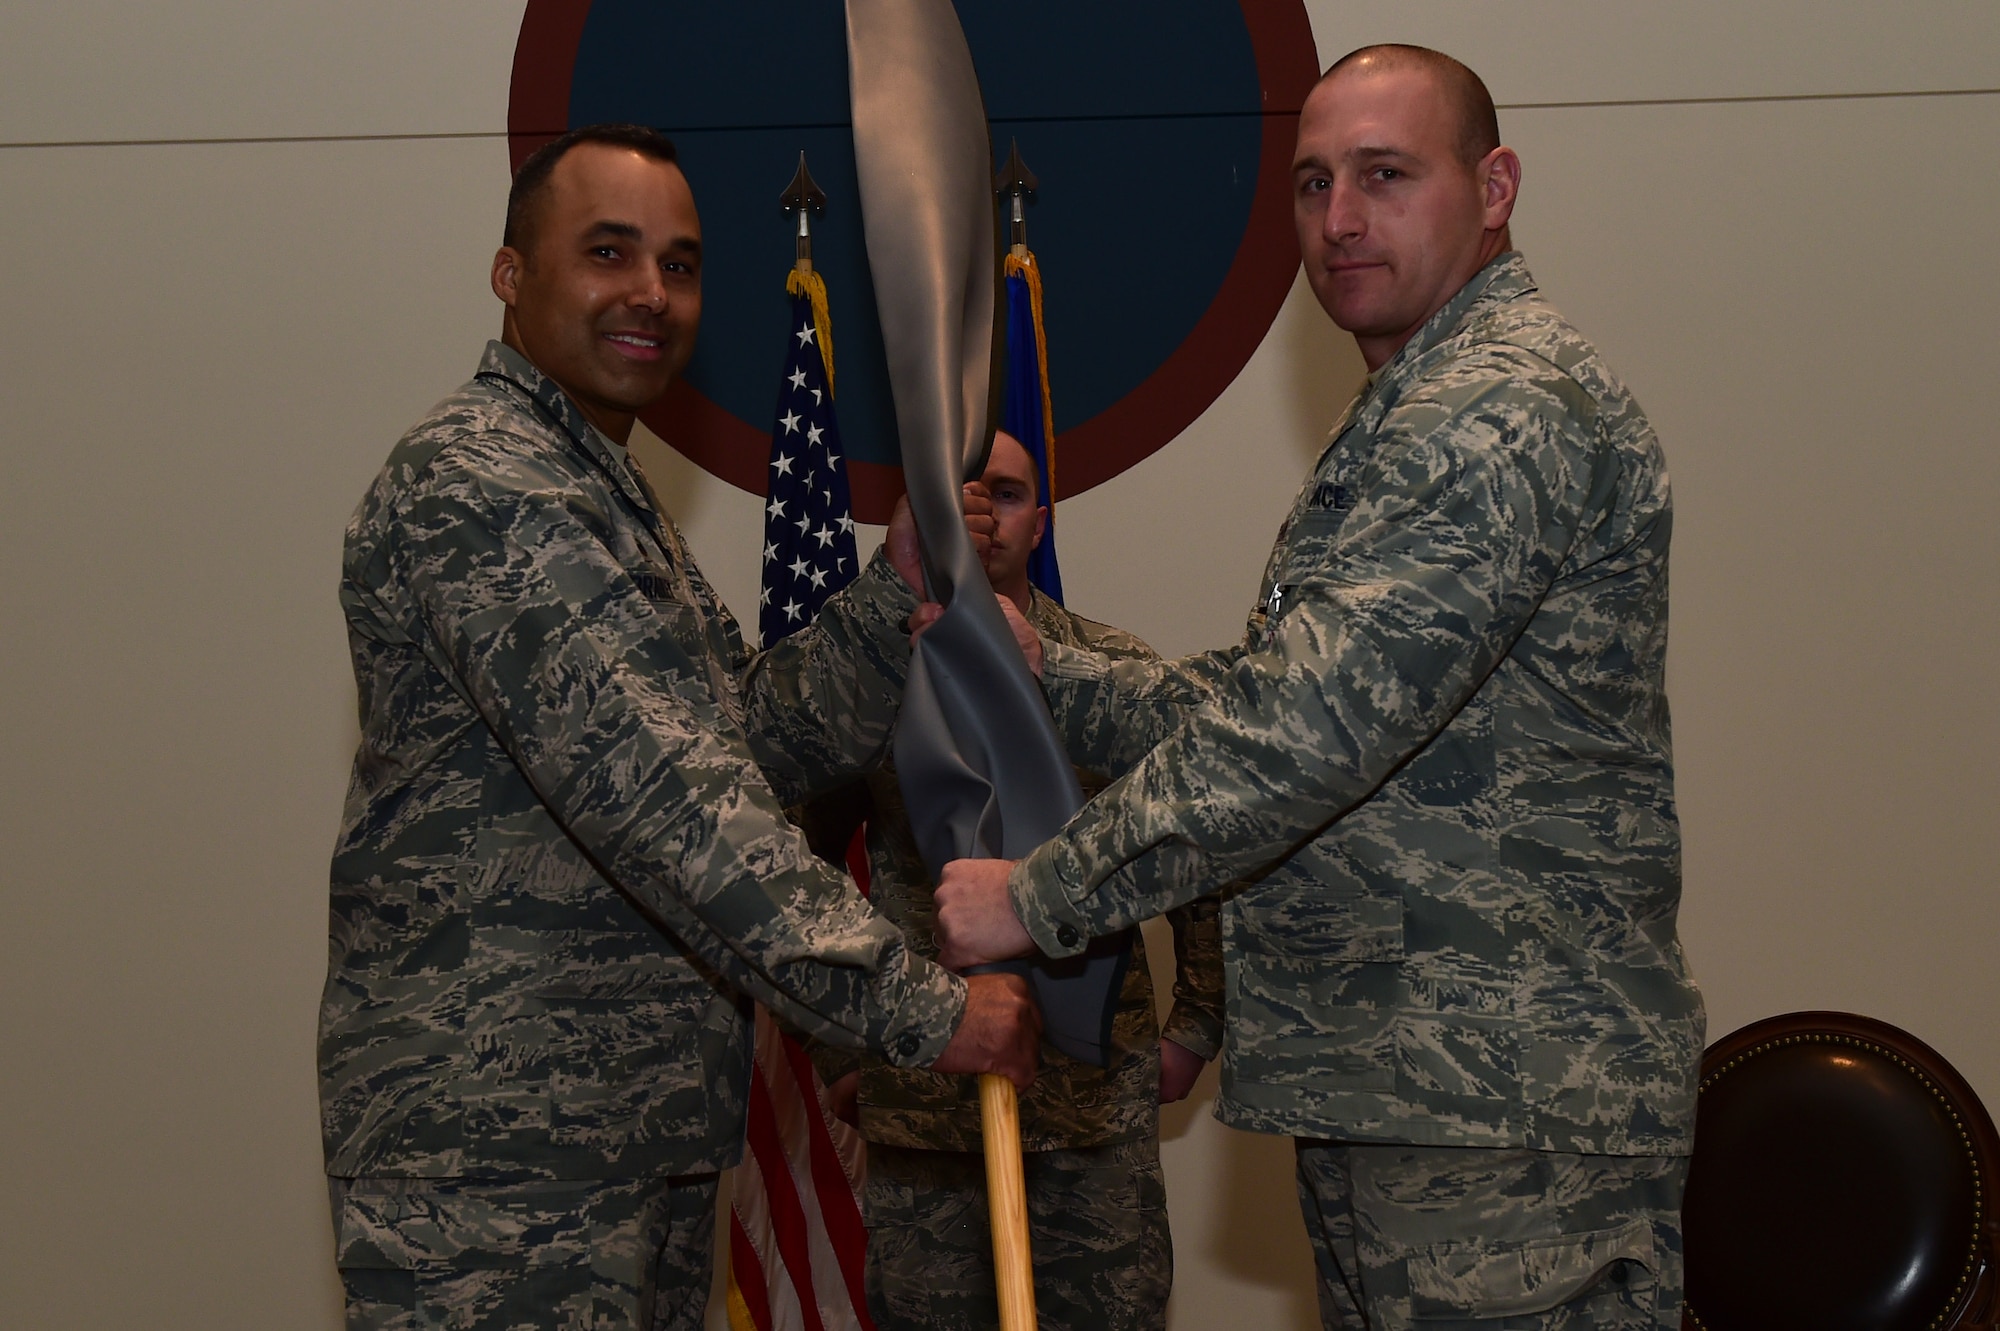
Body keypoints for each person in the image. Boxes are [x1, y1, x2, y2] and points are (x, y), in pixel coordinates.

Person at [933, 45, 1705, 1330]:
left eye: (1384, 175)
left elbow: (1306, 731)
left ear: (1493, 184)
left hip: (1499, 1114)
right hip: (1415, 1086)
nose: (1337, 220)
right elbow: (1273, 695)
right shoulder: (1411, 406)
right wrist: (1048, 675)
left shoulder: (1497, 408)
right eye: (1309, 183)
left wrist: (1041, 893)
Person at [321, 122, 1041, 1331]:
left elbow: (739, 738)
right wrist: (921, 1011)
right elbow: (670, 802)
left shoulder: (602, 489)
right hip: (501, 1165)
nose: (651, 293)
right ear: (512, 273)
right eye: (608, 252)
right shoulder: (483, 483)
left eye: (681, 263)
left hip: (617, 1136)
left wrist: (890, 591)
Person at [829, 431, 1222, 1331]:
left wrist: (1194, 1025)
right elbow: (802, 853)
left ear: (1039, 520)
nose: (985, 516)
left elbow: (1200, 835)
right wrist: (837, 1048)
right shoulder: (872, 674)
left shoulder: (1109, 666)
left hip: (1091, 1112)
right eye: (964, 495)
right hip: (924, 1110)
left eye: (1006, 493)